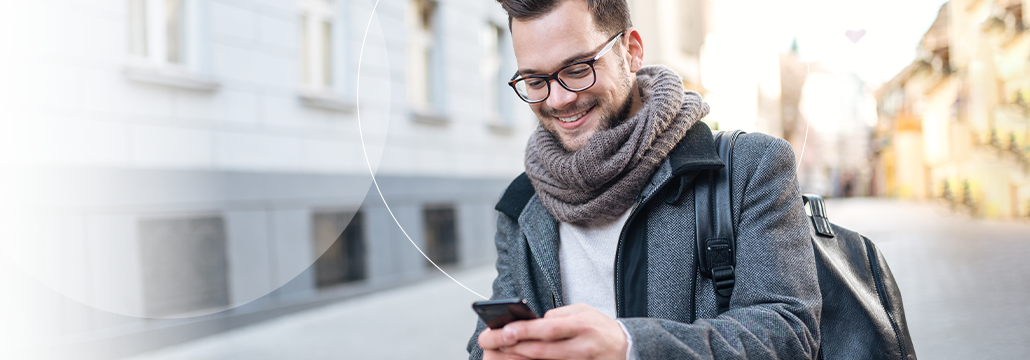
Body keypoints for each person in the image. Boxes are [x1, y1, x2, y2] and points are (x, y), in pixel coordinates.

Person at [468, 0, 821, 359]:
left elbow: (789, 334)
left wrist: (630, 345)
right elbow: (483, 341)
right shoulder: (521, 205)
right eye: (534, 80)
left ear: (631, 51)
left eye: (576, 69)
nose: (557, 100)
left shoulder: (750, 168)